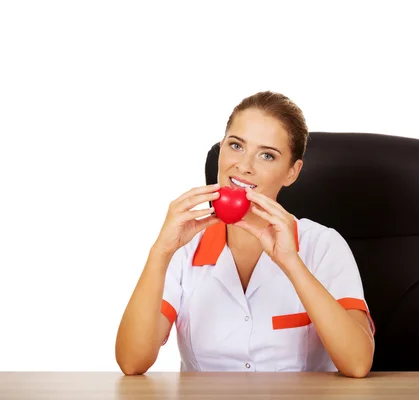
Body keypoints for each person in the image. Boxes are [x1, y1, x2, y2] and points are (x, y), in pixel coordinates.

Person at [115, 91, 375, 378]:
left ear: (292, 172)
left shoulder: (324, 245)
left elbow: (357, 363)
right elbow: (132, 362)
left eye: (267, 155)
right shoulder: (185, 248)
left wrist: (291, 262)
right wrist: (160, 252)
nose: (244, 166)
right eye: (236, 145)